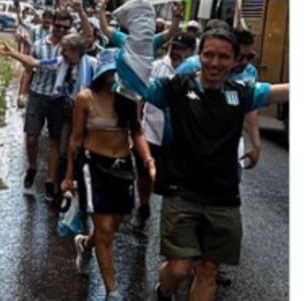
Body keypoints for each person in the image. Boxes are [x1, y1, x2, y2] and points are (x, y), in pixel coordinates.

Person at [116, 26, 288, 301]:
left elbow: (282, 92)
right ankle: (163, 292)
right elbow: (132, 79)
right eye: (209, 55)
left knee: (208, 269)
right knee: (180, 268)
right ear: (199, 55)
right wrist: (129, 47)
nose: (215, 63)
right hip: (182, 194)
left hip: (223, 198)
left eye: (223, 57)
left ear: (234, 61)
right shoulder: (174, 88)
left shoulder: (241, 92)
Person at [61, 50, 154, 301]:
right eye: (110, 71)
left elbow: (137, 132)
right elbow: (75, 139)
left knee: (113, 227)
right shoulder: (85, 98)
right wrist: (69, 175)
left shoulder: (128, 99)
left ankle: (85, 244)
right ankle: (112, 291)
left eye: (118, 71)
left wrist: (148, 160)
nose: (114, 76)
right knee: (103, 228)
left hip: (122, 166)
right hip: (93, 166)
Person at [1, 29, 94, 203]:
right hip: (66, 109)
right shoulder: (60, 62)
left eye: (65, 49)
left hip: (82, 114)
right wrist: (13, 53)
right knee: (58, 145)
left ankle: (56, 184)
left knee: (66, 146)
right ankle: (52, 178)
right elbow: (34, 62)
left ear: (75, 51)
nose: (62, 52)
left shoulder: (92, 66)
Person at [135, 31, 196, 226]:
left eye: (181, 49)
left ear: (192, 51)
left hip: (180, 138)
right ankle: (143, 206)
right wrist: (135, 124)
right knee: (144, 174)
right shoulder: (156, 67)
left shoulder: (196, 73)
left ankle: (172, 217)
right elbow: (141, 96)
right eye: (173, 47)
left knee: (174, 179)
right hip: (151, 132)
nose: (176, 52)